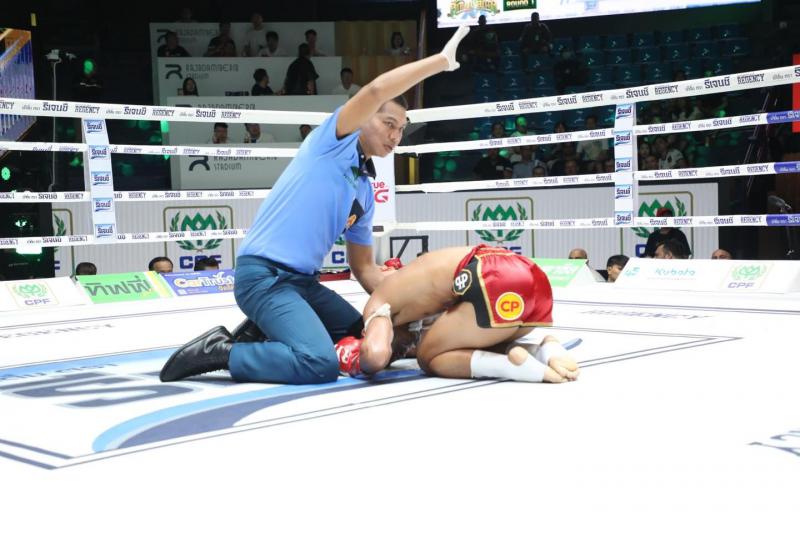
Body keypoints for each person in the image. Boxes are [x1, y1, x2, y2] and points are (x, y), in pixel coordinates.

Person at [159, 25, 472, 385]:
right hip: (264, 277)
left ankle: (261, 331)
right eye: (389, 124)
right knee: (318, 363)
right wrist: (439, 62)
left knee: (366, 337)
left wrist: (406, 305)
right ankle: (223, 351)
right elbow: (376, 90)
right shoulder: (332, 142)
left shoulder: (365, 191)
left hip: (304, 285)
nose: (395, 136)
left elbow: (364, 268)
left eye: (401, 129)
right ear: (364, 118)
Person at [335, 245, 579, 384]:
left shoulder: (379, 302)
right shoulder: (419, 289)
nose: (399, 354)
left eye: (396, 352)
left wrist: (357, 359)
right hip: (529, 276)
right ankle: (543, 350)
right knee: (457, 347)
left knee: (428, 357)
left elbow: (376, 354)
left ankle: (511, 367)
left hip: (489, 275)